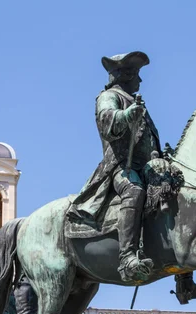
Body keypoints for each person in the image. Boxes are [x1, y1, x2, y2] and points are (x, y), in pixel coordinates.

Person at [67, 51, 161, 282]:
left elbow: (148, 139)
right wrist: (127, 115)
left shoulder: (138, 103)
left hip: (145, 166)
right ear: (124, 76)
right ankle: (127, 256)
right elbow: (107, 121)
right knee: (134, 191)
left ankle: (184, 278)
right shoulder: (109, 96)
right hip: (120, 166)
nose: (140, 81)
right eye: (136, 75)